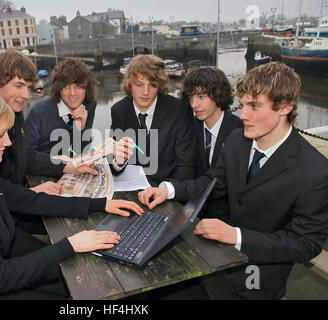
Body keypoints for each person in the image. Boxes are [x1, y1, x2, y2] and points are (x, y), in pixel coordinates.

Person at [0, 90, 143, 299]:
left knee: (83, 284)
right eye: (0, 135)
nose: (8, 141)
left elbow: (28, 200)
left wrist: (100, 204)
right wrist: (70, 245)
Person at [138, 62, 328, 299]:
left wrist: (237, 236)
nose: (243, 114)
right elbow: (211, 183)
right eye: (244, 103)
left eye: (254, 106)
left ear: (286, 107)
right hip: (218, 256)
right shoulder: (238, 141)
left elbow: (306, 244)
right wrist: (168, 189)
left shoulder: (315, 171)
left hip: (257, 275)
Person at [0, 49, 97, 196]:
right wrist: (29, 192)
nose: (26, 95)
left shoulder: (14, 114)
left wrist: (69, 167)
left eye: (28, 88)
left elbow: (28, 156)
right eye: (19, 86)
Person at [110, 54, 197, 184]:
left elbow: (186, 165)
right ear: (130, 84)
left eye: (153, 85)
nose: (146, 92)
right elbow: (115, 167)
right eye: (139, 84)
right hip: (134, 189)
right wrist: (118, 161)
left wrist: (166, 191)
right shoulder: (119, 111)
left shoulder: (180, 110)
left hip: (170, 191)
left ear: (160, 85)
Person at [25, 58, 97, 157]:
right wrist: (63, 165)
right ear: (58, 88)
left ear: (87, 88)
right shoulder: (38, 111)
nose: (72, 93)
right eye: (66, 86)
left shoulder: (89, 105)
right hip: (41, 169)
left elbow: (80, 150)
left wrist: (80, 130)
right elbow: (27, 157)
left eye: (78, 86)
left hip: (69, 166)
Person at [182, 67, 243, 177]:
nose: (194, 104)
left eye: (201, 97)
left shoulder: (239, 130)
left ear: (218, 94)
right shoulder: (189, 127)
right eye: (191, 98)